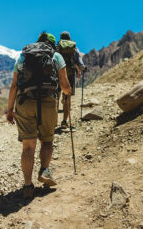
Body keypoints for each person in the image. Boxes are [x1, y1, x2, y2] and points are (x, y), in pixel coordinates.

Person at [6, 32, 71, 199]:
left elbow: (14, 86)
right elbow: (65, 85)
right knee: (47, 140)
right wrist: (67, 93)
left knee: (28, 146)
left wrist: (10, 110)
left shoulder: (23, 58)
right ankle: (44, 170)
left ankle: (28, 185)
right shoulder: (56, 56)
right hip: (48, 102)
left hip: (25, 102)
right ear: (52, 44)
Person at [56, 31, 86, 128]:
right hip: (69, 75)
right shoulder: (74, 47)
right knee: (67, 97)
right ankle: (64, 121)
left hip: (57, 75)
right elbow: (79, 61)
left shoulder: (58, 46)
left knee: (56, 97)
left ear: (61, 38)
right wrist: (83, 68)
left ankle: (54, 121)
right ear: (69, 38)